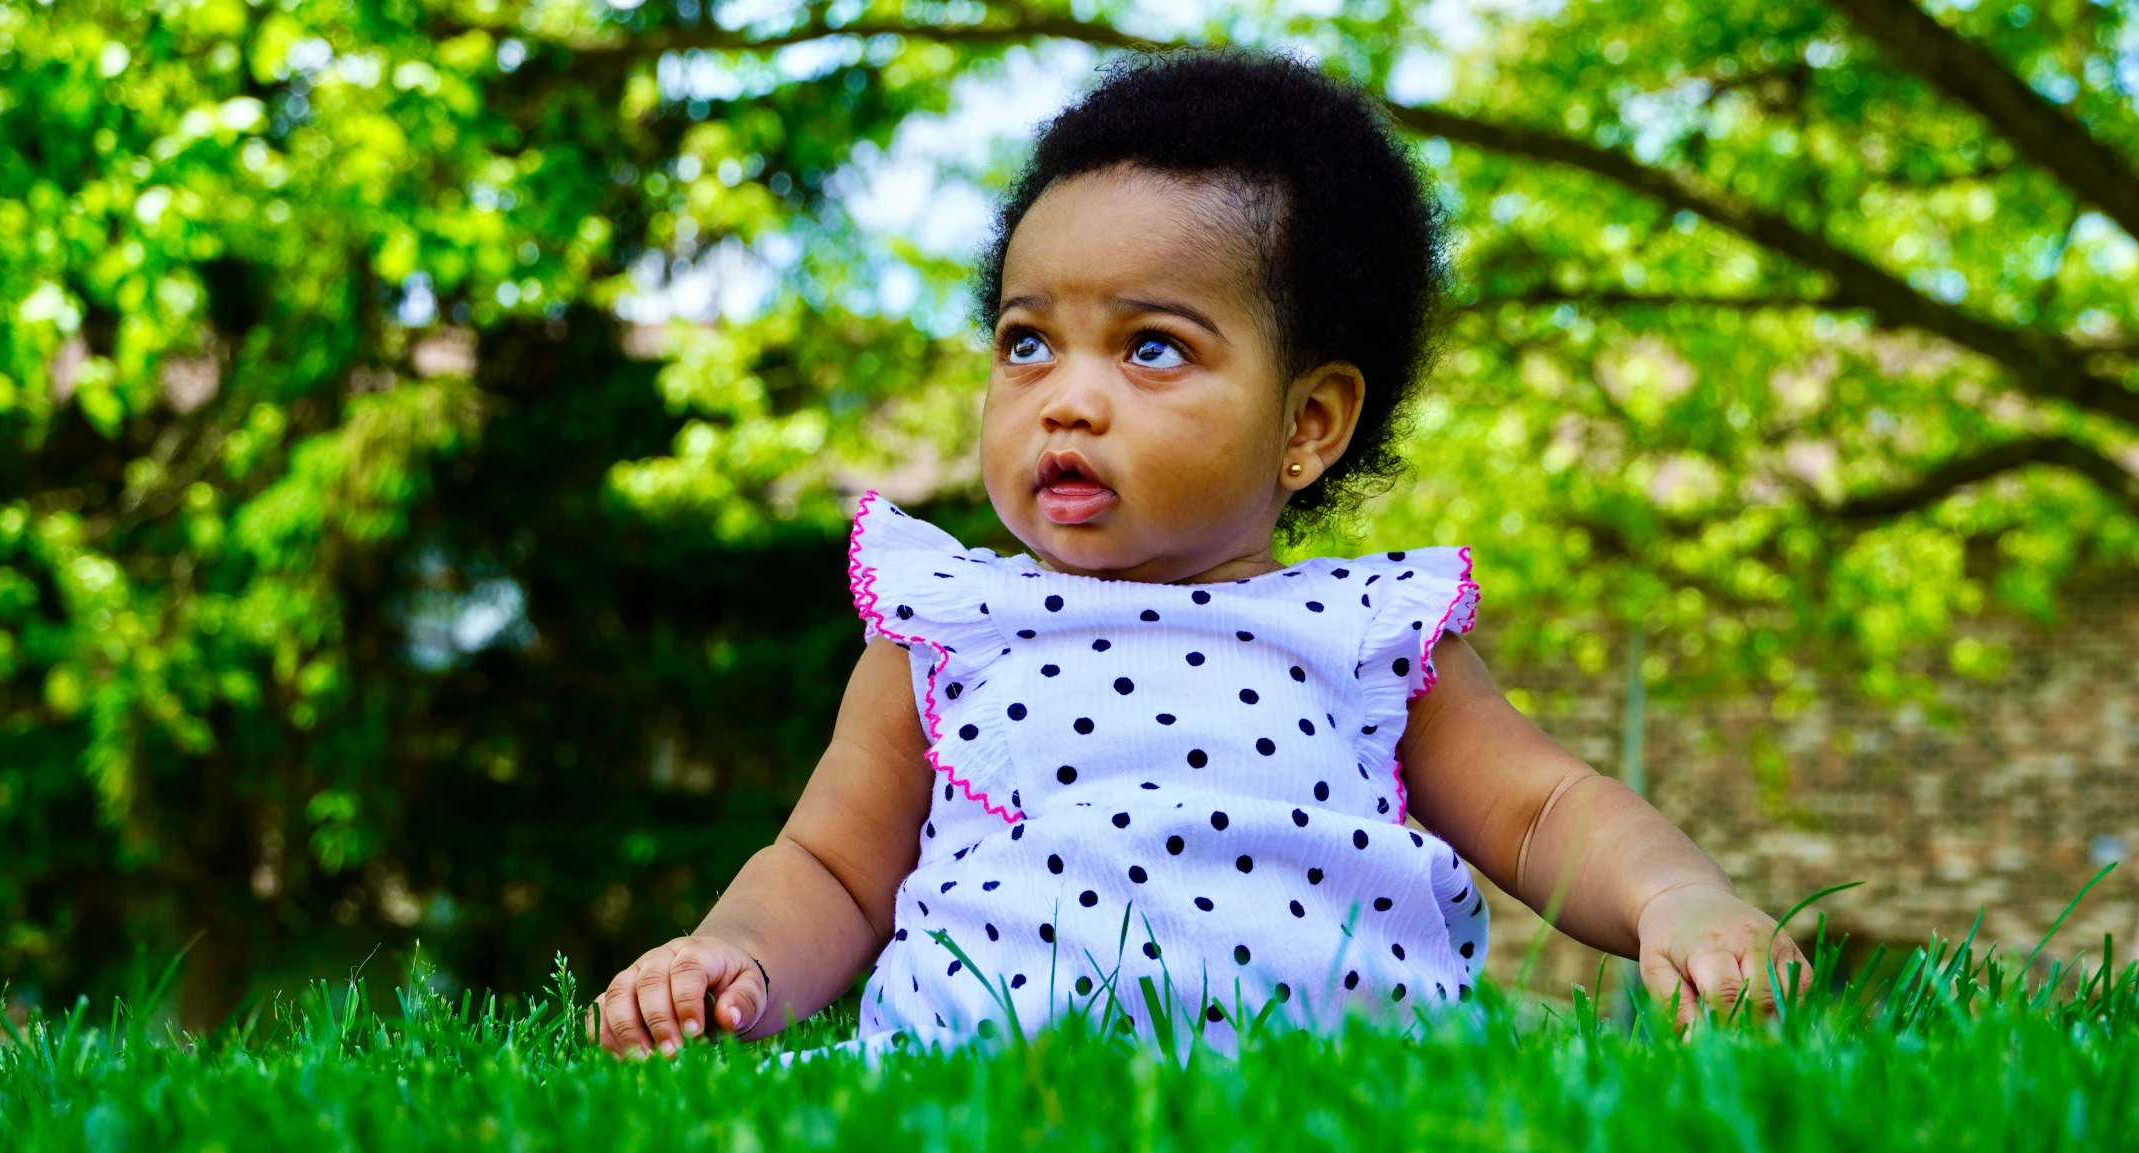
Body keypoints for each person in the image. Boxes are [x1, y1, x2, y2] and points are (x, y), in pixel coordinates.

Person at [592, 52, 1811, 1059]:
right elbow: (830, 872)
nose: (1065, 400)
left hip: (1352, 1103)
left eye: (1152, 349)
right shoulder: (945, 631)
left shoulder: (1362, 635)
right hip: (972, 1095)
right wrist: (731, 959)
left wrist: (1675, 897)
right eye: (1026, 344)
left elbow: (1546, 814)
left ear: (1306, 425)